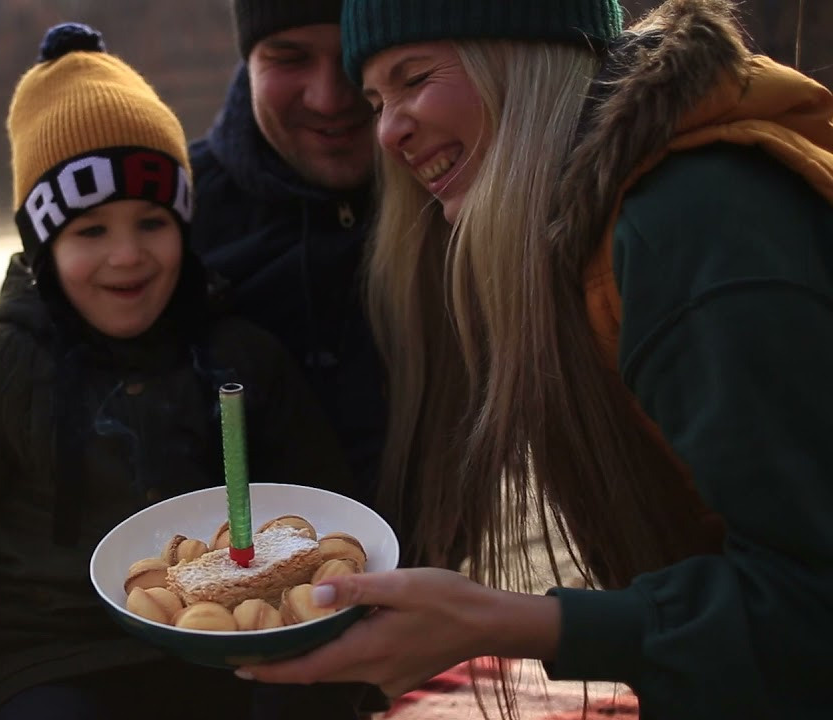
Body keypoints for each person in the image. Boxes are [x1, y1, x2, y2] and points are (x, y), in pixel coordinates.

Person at [235, 0, 833, 717]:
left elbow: (809, 608)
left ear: (526, 57)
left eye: (415, 79)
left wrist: (503, 622)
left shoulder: (690, 227)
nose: (386, 131)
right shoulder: (590, 233)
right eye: (377, 102)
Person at [0, 22, 358, 720]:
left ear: (185, 226)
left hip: (225, 637)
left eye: (152, 222)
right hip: (46, 653)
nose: (127, 255)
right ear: (43, 248)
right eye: (90, 231)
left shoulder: (243, 355)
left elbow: (318, 492)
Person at [191, 0, 387, 510]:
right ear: (248, 61)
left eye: (356, 55)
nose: (329, 98)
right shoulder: (167, 215)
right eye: (290, 58)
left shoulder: (461, 193)